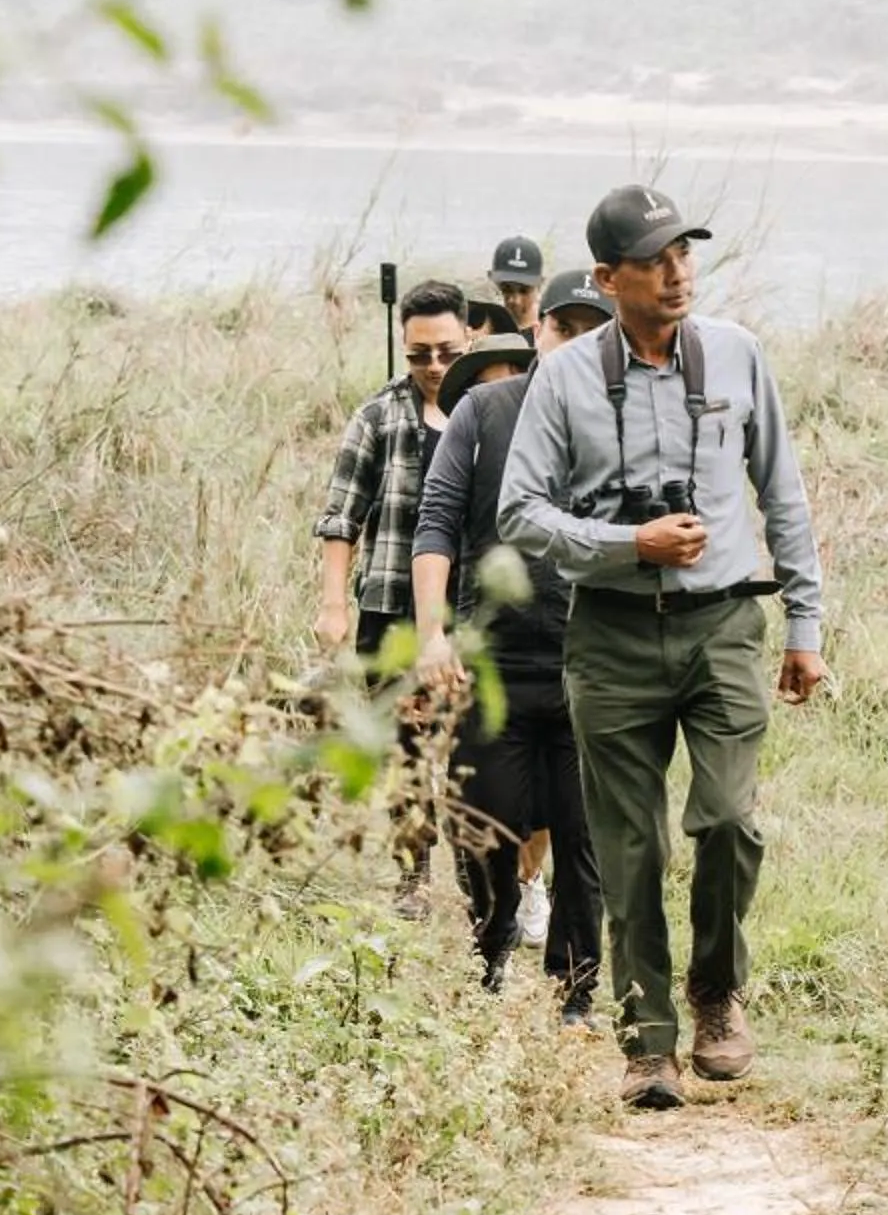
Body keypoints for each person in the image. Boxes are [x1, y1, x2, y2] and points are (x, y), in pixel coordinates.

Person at [500, 188, 824, 1110]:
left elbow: (783, 495)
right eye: (653, 259)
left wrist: (806, 627)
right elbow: (520, 513)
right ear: (607, 279)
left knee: (727, 821)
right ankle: (648, 1044)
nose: (677, 271)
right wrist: (623, 545)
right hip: (609, 635)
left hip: (723, 624)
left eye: (684, 251)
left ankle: (718, 992)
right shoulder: (562, 381)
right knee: (628, 846)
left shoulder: (737, 353)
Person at [410, 274, 612, 1019]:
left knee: (586, 840)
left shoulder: (629, 424)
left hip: (592, 667)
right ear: (540, 333)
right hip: (489, 663)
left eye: (598, 329)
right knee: (485, 824)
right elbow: (436, 522)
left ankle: (576, 994)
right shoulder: (484, 410)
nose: (578, 341)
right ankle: (488, 963)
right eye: (566, 326)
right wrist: (432, 632)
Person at [314, 277, 468, 915]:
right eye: (419, 354)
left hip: (467, 610)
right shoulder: (378, 414)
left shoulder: (487, 408)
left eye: (445, 352)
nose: (433, 366)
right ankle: (413, 875)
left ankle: (484, 871)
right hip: (388, 604)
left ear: (469, 339)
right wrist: (333, 603)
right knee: (402, 748)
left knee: (470, 744)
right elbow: (340, 516)